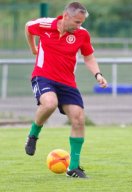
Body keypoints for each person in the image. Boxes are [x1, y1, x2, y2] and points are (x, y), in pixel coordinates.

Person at [24, 2, 107, 178]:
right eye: (77, 22)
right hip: (43, 75)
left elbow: (89, 58)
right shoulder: (45, 24)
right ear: (66, 16)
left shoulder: (82, 34)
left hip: (67, 81)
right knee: (50, 103)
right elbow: (28, 27)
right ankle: (33, 135)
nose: (79, 26)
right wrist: (33, 49)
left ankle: (74, 168)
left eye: (81, 22)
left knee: (78, 118)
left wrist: (98, 75)